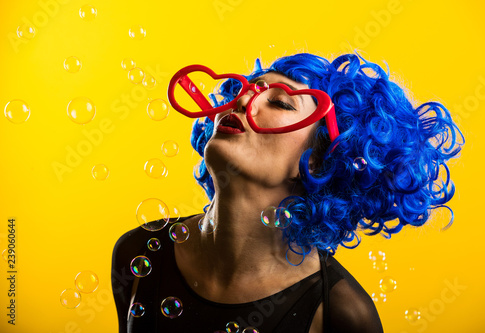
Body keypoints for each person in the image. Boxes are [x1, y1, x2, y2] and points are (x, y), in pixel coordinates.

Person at [111, 52, 463, 332]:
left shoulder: (340, 312)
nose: (244, 96)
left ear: (318, 164)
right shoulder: (137, 253)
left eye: (279, 103)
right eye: (243, 88)